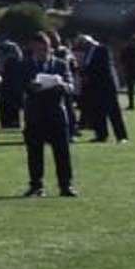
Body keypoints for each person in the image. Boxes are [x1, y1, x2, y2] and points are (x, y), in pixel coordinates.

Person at [22, 35, 79, 197]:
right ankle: (36, 186)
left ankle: (66, 185)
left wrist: (61, 85)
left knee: (62, 153)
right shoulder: (25, 64)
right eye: (39, 49)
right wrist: (31, 86)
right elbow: (19, 84)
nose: (43, 52)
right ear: (33, 48)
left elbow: (70, 85)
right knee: (34, 153)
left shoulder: (60, 64)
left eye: (45, 48)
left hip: (56, 113)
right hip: (34, 114)